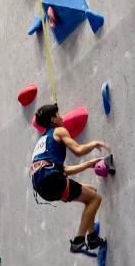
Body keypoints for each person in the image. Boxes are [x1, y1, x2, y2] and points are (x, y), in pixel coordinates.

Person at [30, 103, 110, 255]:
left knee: (91, 192)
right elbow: (78, 150)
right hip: (52, 180)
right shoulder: (59, 131)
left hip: (43, 187)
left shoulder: (42, 142)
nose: (62, 118)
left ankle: (92, 238)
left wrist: (89, 164)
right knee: (95, 199)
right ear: (53, 119)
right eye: (58, 115)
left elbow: (64, 170)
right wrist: (94, 144)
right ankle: (79, 241)